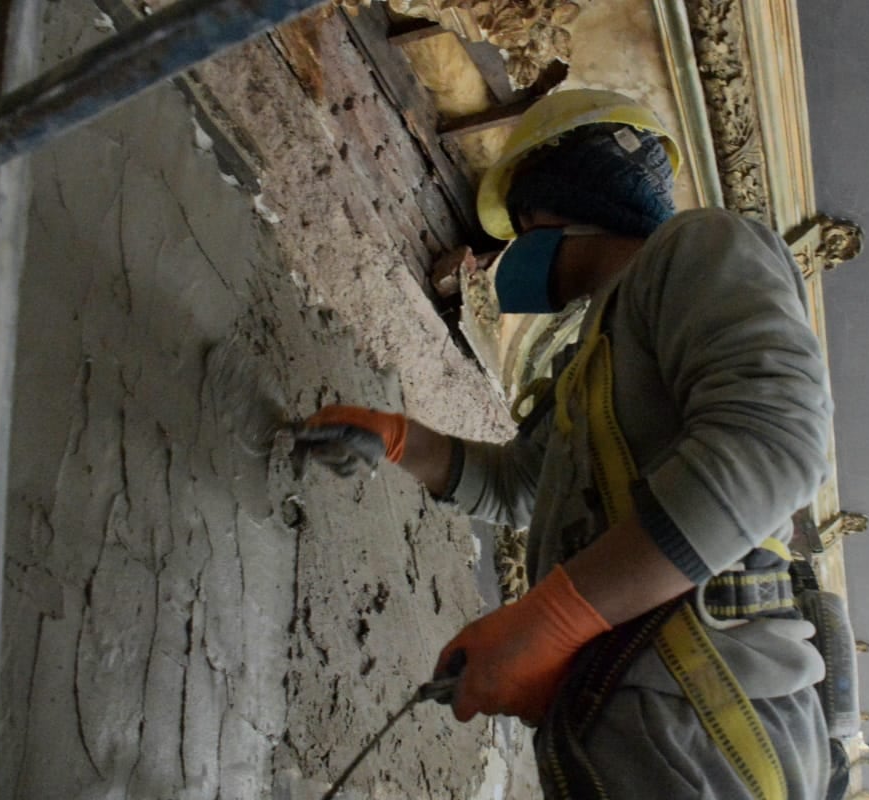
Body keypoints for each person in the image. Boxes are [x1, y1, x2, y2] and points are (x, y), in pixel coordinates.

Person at [295, 89, 834, 799]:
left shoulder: (698, 247)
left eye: (522, 224)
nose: (514, 252)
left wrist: (550, 620)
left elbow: (776, 445)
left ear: (566, 204)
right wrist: (399, 441)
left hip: (712, 715)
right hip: (623, 714)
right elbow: (520, 486)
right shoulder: (590, 359)